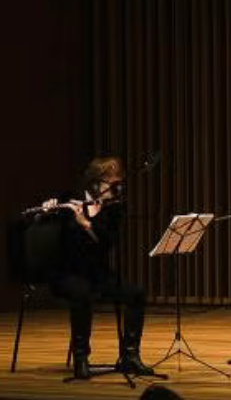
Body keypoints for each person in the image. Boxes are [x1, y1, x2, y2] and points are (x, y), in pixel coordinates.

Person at [38, 156, 155, 379]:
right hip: (67, 273)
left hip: (98, 274)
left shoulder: (114, 209)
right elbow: (47, 232)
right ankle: (81, 358)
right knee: (82, 293)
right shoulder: (69, 200)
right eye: (112, 183)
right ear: (95, 183)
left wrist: (86, 224)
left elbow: (106, 242)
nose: (117, 188)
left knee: (136, 292)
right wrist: (47, 212)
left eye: (119, 183)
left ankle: (130, 356)